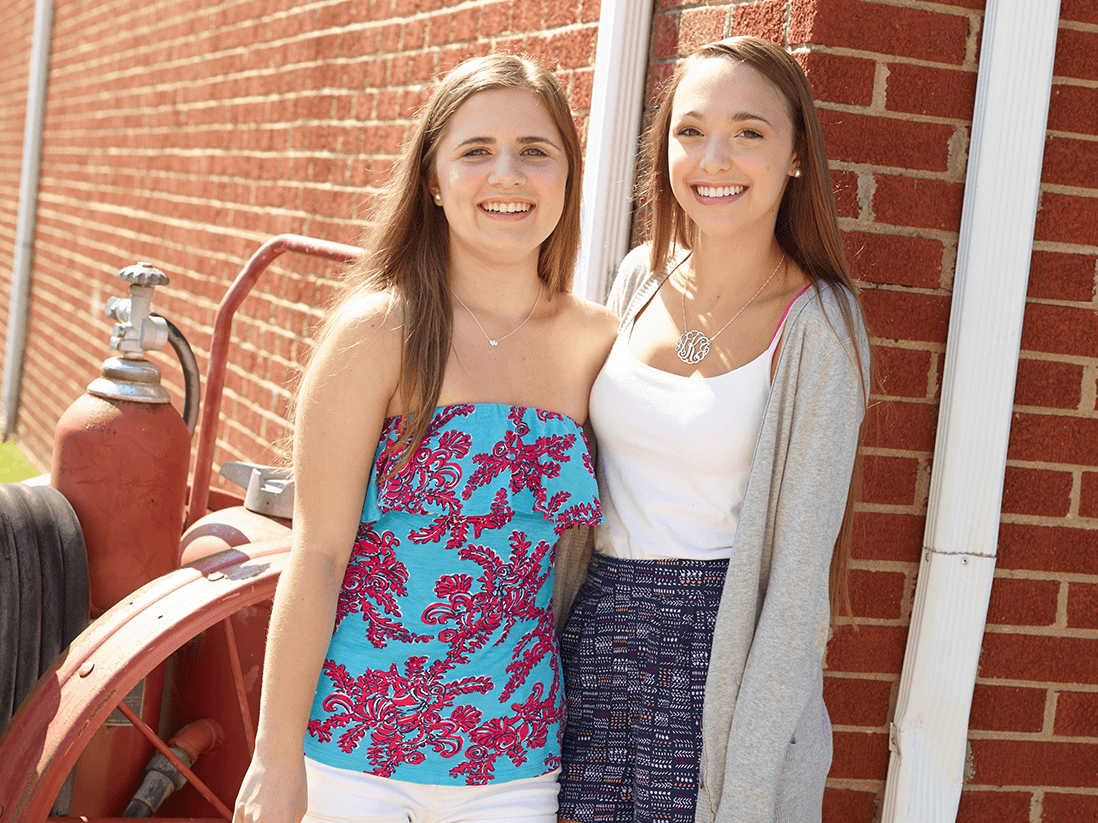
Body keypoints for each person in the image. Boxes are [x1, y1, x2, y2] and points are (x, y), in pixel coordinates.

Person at [233, 53, 617, 823]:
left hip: (515, 763)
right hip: (349, 754)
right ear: (434, 182)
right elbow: (317, 554)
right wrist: (274, 757)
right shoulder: (377, 332)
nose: (507, 174)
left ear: (567, 179)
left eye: (534, 151)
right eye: (476, 151)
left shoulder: (598, 344)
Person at [553, 36, 872, 823]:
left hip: (718, 657)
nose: (713, 157)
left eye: (750, 132)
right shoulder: (637, 276)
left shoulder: (820, 328)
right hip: (591, 636)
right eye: (690, 130)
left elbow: (798, 591)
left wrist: (752, 784)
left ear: (797, 154)